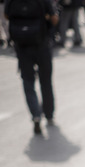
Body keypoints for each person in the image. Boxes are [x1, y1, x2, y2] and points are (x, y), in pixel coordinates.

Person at [5, 0, 59, 135]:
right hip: (41, 44)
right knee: (45, 81)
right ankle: (49, 114)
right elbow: (54, 18)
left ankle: (35, 115)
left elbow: (6, 15)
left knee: (28, 82)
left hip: (22, 45)